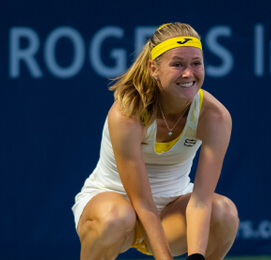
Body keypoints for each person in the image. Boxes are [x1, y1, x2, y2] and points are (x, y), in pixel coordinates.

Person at [71, 22, 239, 260]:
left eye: (196, 64)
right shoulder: (127, 115)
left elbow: (201, 202)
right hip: (114, 210)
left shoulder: (215, 117)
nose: (189, 74)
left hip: (171, 215)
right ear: (153, 68)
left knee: (224, 213)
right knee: (116, 217)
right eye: (177, 64)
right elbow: (143, 203)